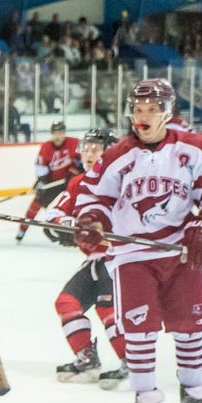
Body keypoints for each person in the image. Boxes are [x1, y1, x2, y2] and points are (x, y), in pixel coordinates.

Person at [74, 79, 202, 403]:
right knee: (140, 330)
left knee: (190, 326)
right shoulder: (117, 155)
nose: (142, 117)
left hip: (179, 252)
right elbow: (92, 196)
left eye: (151, 110)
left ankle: (193, 392)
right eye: (137, 110)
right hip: (132, 254)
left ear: (168, 112)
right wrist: (91, 221)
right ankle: (147, 398)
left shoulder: (195, 148)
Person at [41, 128, 127, 387]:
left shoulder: (124, 181)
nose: (89, 154)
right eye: (86, 148)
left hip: (118, 258)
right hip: (94, 261)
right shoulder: (78, 183)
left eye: (95, 149)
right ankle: (87, 358)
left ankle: (133, 362)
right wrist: (71, 225)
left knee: (106, 308)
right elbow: (52, 213)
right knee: (67, 302)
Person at [17, 121, 80, 241]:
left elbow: (82, 162)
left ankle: (74, 233)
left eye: (60, 133)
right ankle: (22, 229)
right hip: (53, 182)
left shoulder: (74, 143)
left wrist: (74, 173)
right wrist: (42, 181)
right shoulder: (46, 147)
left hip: (71, 181)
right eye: (55, 133)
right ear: (51, 134)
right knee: (36, 204)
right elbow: (40, 167)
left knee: (75, 205)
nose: (58, 136)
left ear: (64, 133)